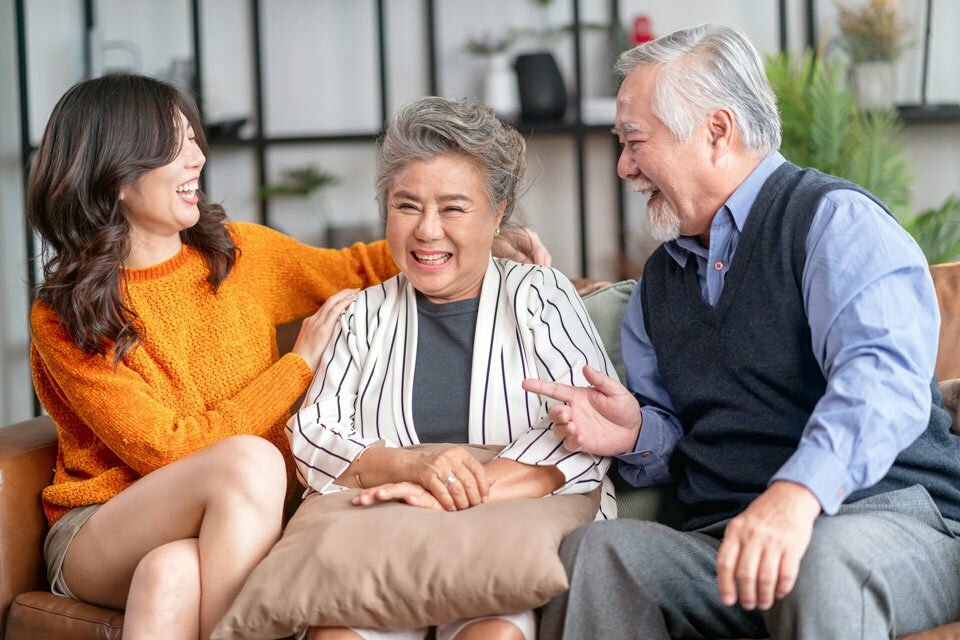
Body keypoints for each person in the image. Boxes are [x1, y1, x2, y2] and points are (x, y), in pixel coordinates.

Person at [27, 74, 548, 640]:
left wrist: (472, 237)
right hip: (103, 527)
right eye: (174, 146)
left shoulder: (238, 253)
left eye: (195, 139)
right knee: (249, 460)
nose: (198, 158)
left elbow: (356, 267)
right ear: (116, 173)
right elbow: (164, 449)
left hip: (222, 524)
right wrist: (295, 367)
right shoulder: (66, 313)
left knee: (170, 574)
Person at [526, 24, 960, 640]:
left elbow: (881, 380)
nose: (624, 166)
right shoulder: (660, 281)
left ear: (717, 131)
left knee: (820, 560)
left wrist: (795, 496)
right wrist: (636, 433)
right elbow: (689, 436)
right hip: (729, 540)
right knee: (599, 555)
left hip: (895, 520)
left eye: (634, 141)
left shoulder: (833, 222)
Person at [288, 96, 617, 640]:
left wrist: (455, 491)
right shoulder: (363, 314)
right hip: (384, 542)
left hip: (507, 541)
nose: (427, 230)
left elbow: (585, 431)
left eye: (454, 208)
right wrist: (410, 469)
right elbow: (312, 437)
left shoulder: (539, 295)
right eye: (407, 205)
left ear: (498, 212)